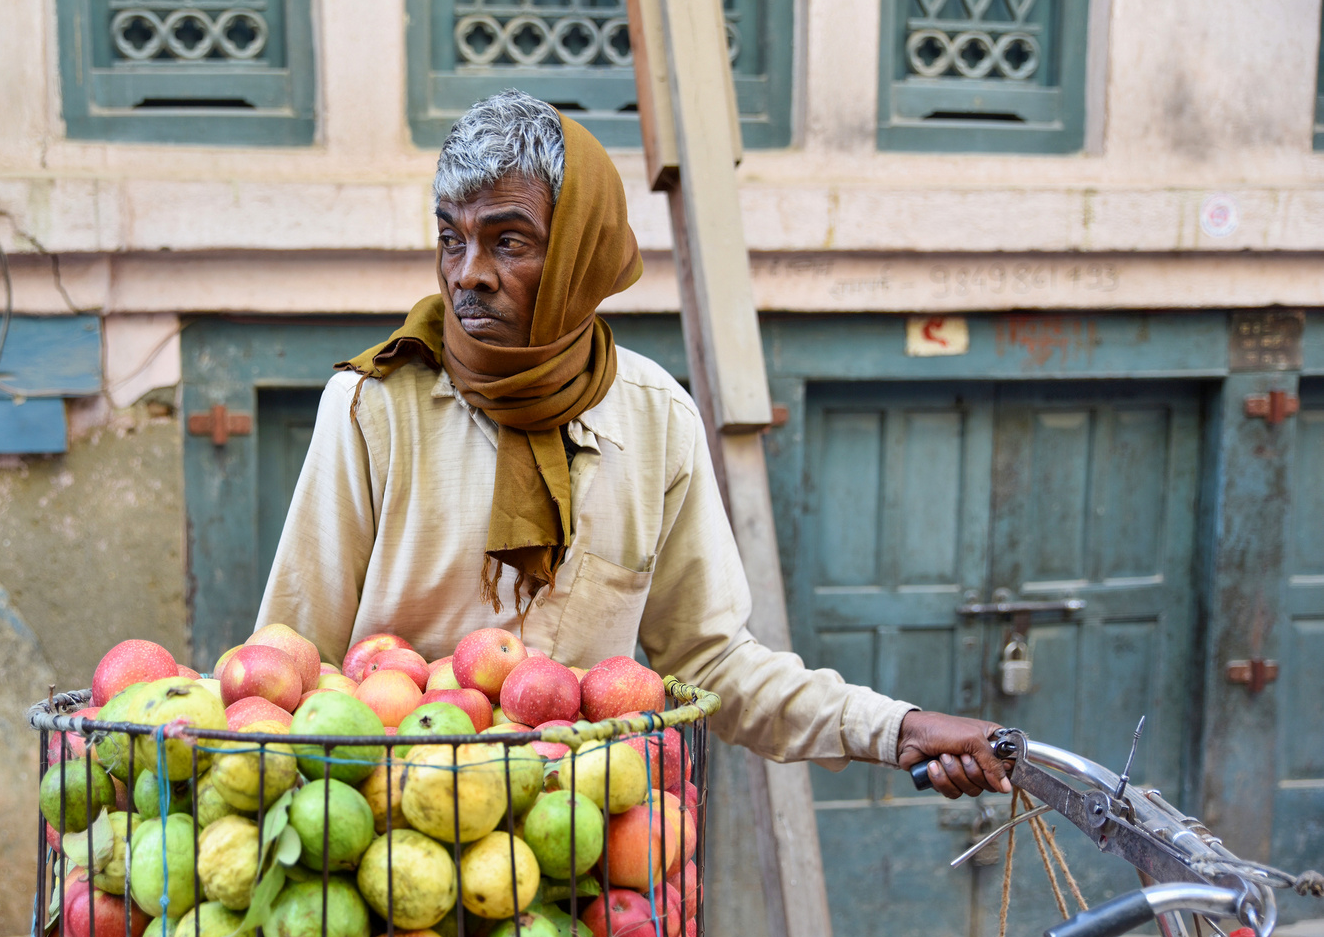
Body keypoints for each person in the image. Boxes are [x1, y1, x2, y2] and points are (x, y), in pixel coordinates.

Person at [258, 89, 1006, 799]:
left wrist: (895, 727)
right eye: (452, 239)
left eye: (506, 241)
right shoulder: (371, 408)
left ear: (580, 252)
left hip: (584, 850)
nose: (468, 275)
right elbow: (290, 665)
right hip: (390, 838)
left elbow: (713, 661)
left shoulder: (655, 421)